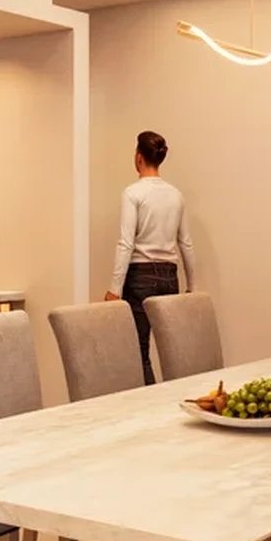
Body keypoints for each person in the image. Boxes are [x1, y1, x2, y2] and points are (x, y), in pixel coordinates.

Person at [106, 130, 197, 385]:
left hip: (140, 277)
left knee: (140, 352)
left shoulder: (133, 193)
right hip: (170, 276)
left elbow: (126, 243)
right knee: (173, 351)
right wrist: (191, 287)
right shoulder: (176, 195)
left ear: (139, 157)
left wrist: (114, 289)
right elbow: (186, 243)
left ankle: (148, 403)